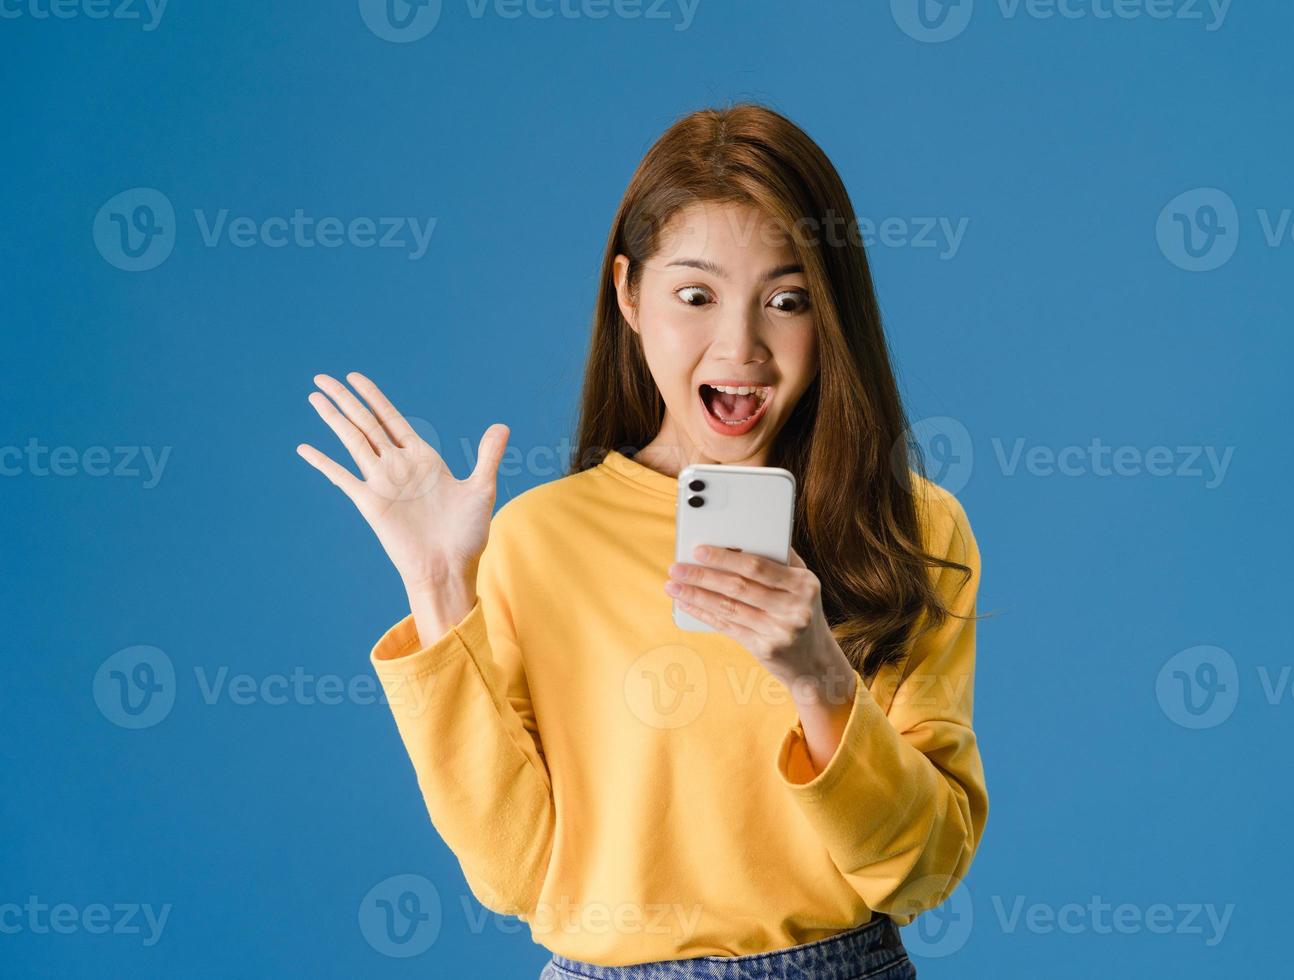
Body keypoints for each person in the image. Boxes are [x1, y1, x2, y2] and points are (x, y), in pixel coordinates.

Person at [297, 103, 987, 979]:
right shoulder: (539, 540)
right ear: (628, 293)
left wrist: (821, 680)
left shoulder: (910, 528)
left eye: (787, 300)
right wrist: (439, 584)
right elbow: (515, 877)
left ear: (832, 311)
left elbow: (923, 873)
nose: (741, 348)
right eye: (694, 295)